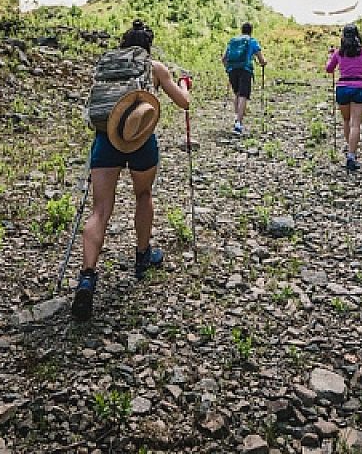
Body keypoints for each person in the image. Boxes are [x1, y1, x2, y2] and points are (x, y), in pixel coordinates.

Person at [73, 20, 192, 321]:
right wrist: (183, 84)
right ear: (147, 47)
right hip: (140, 141)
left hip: (106, 140)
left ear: (124, 44)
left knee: (100, 210)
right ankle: (142, 256)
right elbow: (184, 103)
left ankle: (87, 277)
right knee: (143, 195)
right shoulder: (155, 68)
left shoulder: (108, 67)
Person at [325, 24, 362, 171]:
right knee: (356, 124)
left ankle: (349, 148)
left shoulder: (338, 53)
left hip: (342, 88)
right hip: (359, 88)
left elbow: (329, 69)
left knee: (346, 120)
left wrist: (330, 56)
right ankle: (351, 155)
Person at [221, 22, 267, 135]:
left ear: (241, 30)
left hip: (232, 70)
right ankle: (238, 123)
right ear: (251, 31)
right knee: (243, 95)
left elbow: (224, 58)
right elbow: (261, 59)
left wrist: (228, 69)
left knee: (237, 93)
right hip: (245, 70)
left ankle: (237, 117)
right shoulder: (252, 41)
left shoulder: (233, 41)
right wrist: (263, 63)